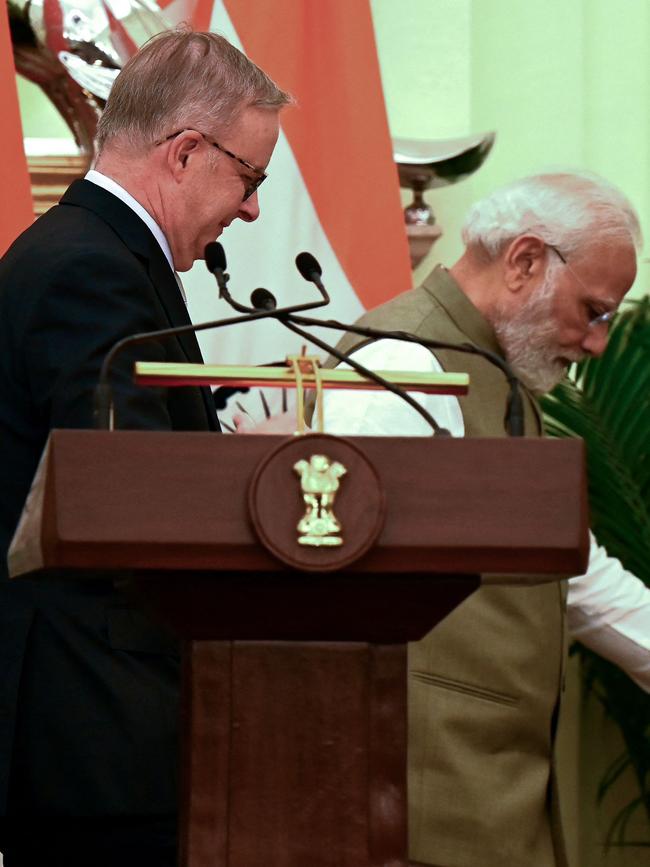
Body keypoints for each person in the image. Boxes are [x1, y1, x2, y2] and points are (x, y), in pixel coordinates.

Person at [0, 28, 291, 867]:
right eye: (251, 176)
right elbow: (123, 495)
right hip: (90, 725)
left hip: (98, 718)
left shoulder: (93, 253)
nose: (252, 208)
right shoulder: (90, 268)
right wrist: (262, 468)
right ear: (188, 151)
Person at [322, 173, 650, 867]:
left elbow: (571, 567)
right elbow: (340, 596)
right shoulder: (401, 365)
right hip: (416, 794)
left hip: (486, 790)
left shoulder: (499, 367)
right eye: (593, 311)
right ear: (526, 260)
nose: (596, 345)